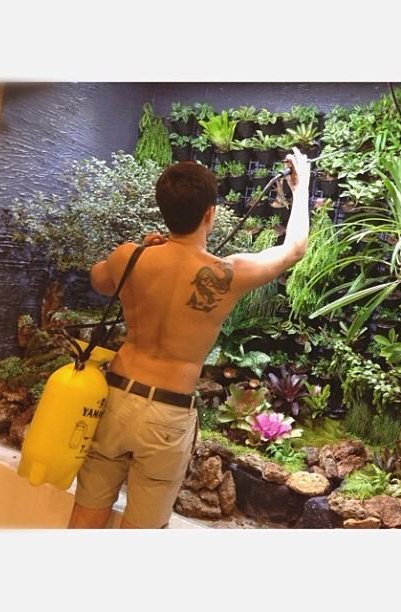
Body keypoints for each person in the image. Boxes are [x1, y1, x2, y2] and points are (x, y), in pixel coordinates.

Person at [68, 148, 311, 528]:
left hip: (115, 398)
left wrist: (142, 251)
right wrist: (302, 186)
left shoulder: (130, 257)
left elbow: (98, 279)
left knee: (85, 515)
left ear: (163, 210)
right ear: (209, 214)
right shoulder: (228, 273)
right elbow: (293, 250)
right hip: (167, 413)